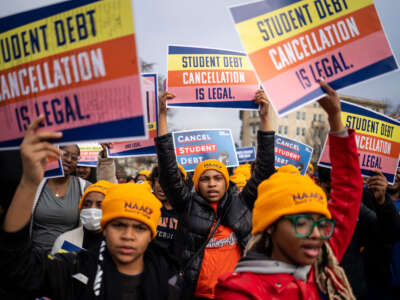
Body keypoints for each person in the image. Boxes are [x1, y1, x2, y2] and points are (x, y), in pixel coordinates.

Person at [216, 79, 363, 299]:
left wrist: (335, 119)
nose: (315, 234)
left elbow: (348, 192)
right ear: (270, 227)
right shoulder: (240, 293)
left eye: (321, 223)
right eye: (301, 223)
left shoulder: (319, 263)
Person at [0, 116, 176, 299]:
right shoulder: (74, 269)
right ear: (105, 228)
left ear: (151, 235)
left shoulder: (169, 285)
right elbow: (16, 268)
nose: (128, 236)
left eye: (140, 228)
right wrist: (28, 182)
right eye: (119, 225)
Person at [155, 89, 275, 299]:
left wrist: (266, 119)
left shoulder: (242, 203)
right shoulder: (187, 205)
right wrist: (162, 118)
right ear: (197, 184)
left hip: (236, 294)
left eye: (218, 178)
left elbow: (264, 169)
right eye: (205, 178)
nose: (212, 183)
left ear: (225, 182)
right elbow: (168, 170)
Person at [51, 180, 114, 254]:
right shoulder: (66, 240)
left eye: (100, 205)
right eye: (87, 204)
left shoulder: (119, 244)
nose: (92, 209)